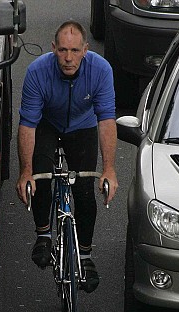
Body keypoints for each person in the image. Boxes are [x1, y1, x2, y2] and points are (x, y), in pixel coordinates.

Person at [16, 20, 118, 293]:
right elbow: (27, 125)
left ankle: (85, 257)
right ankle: (43, 234)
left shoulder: (101, 70)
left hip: (81, 128)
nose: (68, 58)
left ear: (85, 50)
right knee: (42, 178)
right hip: (47, 125)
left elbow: (107, 120)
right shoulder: (37, 72)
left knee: (84, 191)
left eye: (74, 50)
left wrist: (109, 169)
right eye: (62, 50)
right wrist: (26, 172)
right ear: (53, 49)